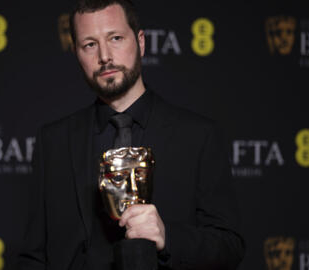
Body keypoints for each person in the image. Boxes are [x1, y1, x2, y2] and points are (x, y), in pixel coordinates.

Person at [18, 0, 245, 269]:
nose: (104, 56)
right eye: (89, 44)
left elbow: (230, 247)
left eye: (115, 38)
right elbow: (33, 257)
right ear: (77, 53)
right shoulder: (52, 141)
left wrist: (167, 236)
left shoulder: (199, 136)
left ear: (140, 42)